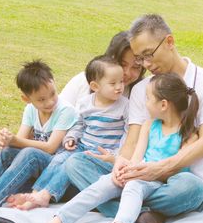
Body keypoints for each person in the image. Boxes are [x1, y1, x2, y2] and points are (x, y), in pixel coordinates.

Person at [64, 14, 203, 223]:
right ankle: (142, 214)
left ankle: (118, 205)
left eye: (148, 55)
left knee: (190, 187)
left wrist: (159, 169)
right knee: (76, 164)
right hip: (140, 178)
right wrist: (121, 168)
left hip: (180, 181)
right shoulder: (142, 90)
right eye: (140, 59)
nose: (146, 64)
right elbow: (132, 141)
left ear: (169, 42)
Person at [36, 73, 199, 223]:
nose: (146, 103)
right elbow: (136, 158)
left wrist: (141, 174)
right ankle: (57, 221)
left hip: (159, 183)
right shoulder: (149, 125)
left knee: (135, 186)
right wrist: (122, 168)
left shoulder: (189, 135)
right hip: (137, 175)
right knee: (102, 185)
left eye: (148, 98)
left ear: (163, 104)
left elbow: (176, 168)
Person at [9, 55, 129, 210]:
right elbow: (79, 124)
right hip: (82, 146)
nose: (119, 87)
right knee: (61, 158)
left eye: (121, 81)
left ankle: (46, 195)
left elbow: (127, 133)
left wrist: (117, 154)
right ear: (95, 86)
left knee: (70, 164)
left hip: (103, 152)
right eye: (113, 83)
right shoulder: (85, 103)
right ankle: (36, 192)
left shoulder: (125, 106)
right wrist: (71, 138)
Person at [0, 60, 77, 207]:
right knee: (4, 151)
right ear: (26, 99)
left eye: (53, 94)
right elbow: (20, 141)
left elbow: (51, 148)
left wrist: (15, 140)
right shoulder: (31, 110)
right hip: (37, 164)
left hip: (55, 168)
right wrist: (7, 140)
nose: (50, 102)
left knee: (30, 153)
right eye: (42, 99)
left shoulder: (65, 110)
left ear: (54, 83)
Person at [59, 31, 145, 107]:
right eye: (122, 64)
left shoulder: (143, 93)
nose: (127, 73)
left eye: (136, 67)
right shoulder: (82, 81)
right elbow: (58, 113)